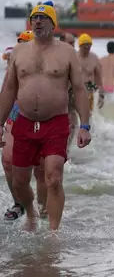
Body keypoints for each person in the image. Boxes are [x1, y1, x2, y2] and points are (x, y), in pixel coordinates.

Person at [0, 3, 91, 230]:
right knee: (20, 182)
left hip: (56, 123)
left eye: (42, 17)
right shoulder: (19, 52)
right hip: (25, 122)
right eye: (34, 18)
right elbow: (9, 89)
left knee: (53, 178)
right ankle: (30, 213)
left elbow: (80, 89)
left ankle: (53, 232)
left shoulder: (67, 52)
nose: (38, 21)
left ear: (53, 23)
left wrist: (85, 125)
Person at [2, 30, 46, 221]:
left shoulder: (45, 64)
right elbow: (5, 93)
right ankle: (19, 203)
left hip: (38, 119)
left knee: (40, 169)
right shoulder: (12, 64)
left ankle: (43, 209)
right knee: (7, 161)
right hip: (13, 118)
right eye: (19, 43)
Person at [77, 33, 104, 113]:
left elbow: (99, 79)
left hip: (89, 93)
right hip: (76, 93)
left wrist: (101, 95)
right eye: (85, 45)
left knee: (88, 116)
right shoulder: (74, 57)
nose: (87, 47)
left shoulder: (94, 58)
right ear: (80, 46)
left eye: (89, 45)